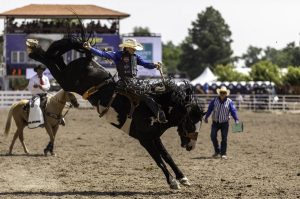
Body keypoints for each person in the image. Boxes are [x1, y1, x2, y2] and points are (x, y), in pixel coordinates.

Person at [83, 38, 167, 123]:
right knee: (145, 95)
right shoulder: (118, 55)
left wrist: (154, 65)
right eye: (133, 47)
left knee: (151, 91)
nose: (135, 49)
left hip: (134, 82)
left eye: (135, 48)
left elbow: (146, 64)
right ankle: (159, 114)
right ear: (127, 47)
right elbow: (103, 54)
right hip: (124, 82)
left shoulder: (135, 57)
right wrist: (90, 48)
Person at [204, 86, 239, 160]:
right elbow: (210, 109)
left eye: (224, 93)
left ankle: (223, 153)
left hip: (224, 123)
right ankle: (217, 151)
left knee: (224, 138)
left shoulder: (229, 102)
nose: (222, 94)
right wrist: (206, 117)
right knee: (212, 136)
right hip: (215, 122)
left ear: (226, 94)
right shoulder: (214, 101)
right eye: (221, 92)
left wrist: (236, 119)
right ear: (219, 93)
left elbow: (233, 111)